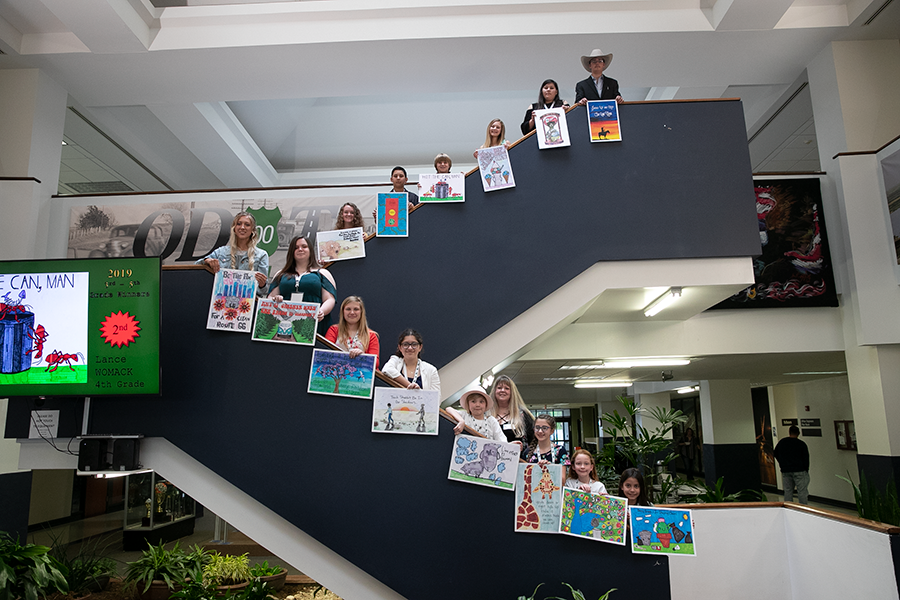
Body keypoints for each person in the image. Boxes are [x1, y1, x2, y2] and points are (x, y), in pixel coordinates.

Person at [267, 236, 337, 335]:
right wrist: (275, 300)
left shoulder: (322, 273)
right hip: (284, 323)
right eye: (296, 247)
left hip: (315, 323)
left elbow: (330, 299)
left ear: (311, 250)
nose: (300, 249)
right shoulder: (281, 274)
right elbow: (270, 297)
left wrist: (321, 311)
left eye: (304, 246)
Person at [196, 211, 269, 296]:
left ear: (253, 230)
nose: (242, 227)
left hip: (246, 305)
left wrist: (262, 285)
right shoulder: (221, 252)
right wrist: (207, 260)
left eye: (247, 225)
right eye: (239, 224)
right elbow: (196, 267)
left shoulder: (261, 255)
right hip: (221, 302)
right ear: (234, 228)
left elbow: (264, 290)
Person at [324, 295, 379, 369]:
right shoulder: (333, 330)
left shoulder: (371, 335)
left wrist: (362, 356)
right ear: (343, 311)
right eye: (348, 309)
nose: (352, 312)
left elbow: (376, 363)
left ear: (361, 312)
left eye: (356, 309)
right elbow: (325, 354)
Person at [382, 329, 440, 393]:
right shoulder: (395, 361)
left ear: (420, 347)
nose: (410, 348)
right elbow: (386, 369)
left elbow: (436, 398)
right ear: (400, 347)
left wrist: (418, 393)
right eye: (405, 344)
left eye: (414, 344)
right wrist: (409, 385)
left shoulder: (431, 370)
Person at [489, 375, 535, 449]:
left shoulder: (523, 415)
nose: (502, 390)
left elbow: (533, 441)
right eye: (499, 388)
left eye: (507, 388)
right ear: (494, 391)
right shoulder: (486, 414)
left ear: (512, 392)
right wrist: (507, 446)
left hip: (519, 459)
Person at [773, 425, 810, 504]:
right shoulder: (801, 444)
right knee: (802, 491)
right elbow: (806, 458)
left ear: (789, 432)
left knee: (788, 490)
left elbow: (775, 453)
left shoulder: (782, 442)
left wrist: (782, 463)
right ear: (798, 433)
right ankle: (803, 509)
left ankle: (788, 508)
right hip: (799, 470)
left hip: (786, 470)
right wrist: (805, 469)